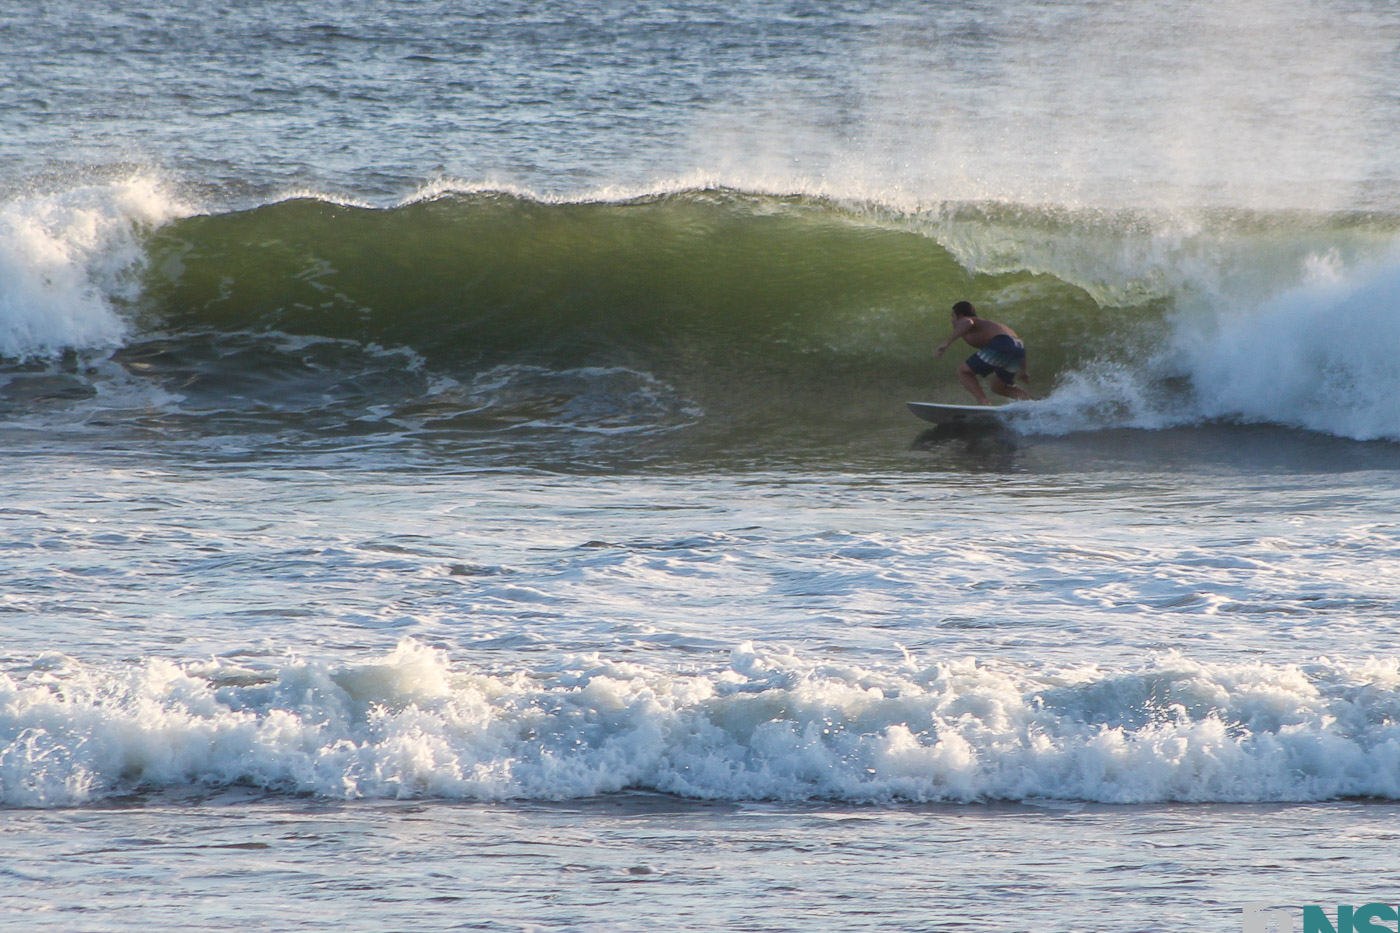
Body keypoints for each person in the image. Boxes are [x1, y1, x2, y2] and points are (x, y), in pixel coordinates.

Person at [935, 300, 1035, 405]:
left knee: (963, 372)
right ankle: (1035, 405)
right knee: (999, 387)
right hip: (1018, 347)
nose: (952, 321)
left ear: (958, 315)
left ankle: (984, 402)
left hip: (1002, 343)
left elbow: (968, 322)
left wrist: (947, 343)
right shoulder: (989, 325)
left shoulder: (965, 320)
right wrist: (1023, 370)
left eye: (952, 316)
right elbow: (1018, 344)